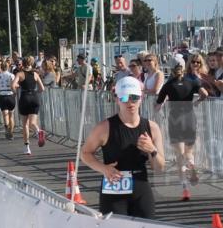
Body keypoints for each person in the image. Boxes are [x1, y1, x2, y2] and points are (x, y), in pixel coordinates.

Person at [81, 76, 165, 219]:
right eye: (124, 98)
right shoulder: (105, 128)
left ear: (141, 98)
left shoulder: (152, 128)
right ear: (117, 99)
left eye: (134, 97)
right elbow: (85, 153)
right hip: (114, 191)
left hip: (141, 189)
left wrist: (152, 150)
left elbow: (160, 167)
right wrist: (104, 168)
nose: (130, 102)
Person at [156, 60, 208, 200]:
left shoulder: (168, 85)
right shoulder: (192, 81)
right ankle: (191, 164)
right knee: (189, 152)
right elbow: (205, 94)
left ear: (171, 69)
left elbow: (158, 103)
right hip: (190, 119)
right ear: (184, 68)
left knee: (179, 155)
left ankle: (185, 188)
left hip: (175, 121)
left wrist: (161, 109)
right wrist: (197, 102)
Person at [12, 57, 45, 154]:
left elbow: (13, 85)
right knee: (33, 123)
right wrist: (35, 92)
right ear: (32, 63)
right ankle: (38, 131)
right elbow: (42, 88)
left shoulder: (20, 74)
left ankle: (27, 147)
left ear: (23, 64)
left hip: (24, 97)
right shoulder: (35, 74)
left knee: (25, 124)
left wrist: (14, 93)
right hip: (34, 97)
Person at [0, 60, 17, 139]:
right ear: (8, 67)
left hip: (2, 95)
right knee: (11, 116)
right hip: (10, 95)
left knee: (5, 115)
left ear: (1, 67)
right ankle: (11, 132)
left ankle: (6, 130)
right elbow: (14, 85)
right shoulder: (11, 75)